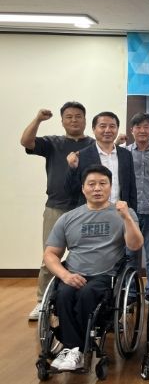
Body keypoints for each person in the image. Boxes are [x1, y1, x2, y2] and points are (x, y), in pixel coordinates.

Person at [43, 165, 143, 371]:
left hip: (106, 276)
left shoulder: (124, 213)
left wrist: (126, 217)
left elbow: (135, 245)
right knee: (63, 295)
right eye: (92, 184)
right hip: (73, 273)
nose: (97, 188)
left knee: (87, 293)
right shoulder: (68, 218)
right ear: (83, 188)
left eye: (102, 183)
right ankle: (74, 349)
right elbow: (50, 254)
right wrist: (65, 275)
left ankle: (75, 350)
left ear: (110, 187)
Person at [21, 102, 95, 320]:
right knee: (50, 256)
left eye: (78, 116)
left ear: (85, 120)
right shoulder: (52, 143)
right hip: (56, 207)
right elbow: (26, 142)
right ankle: (42, 301)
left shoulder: (93, 145)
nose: (74, 120)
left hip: (85, 209)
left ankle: (79, 300)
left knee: (85, 257)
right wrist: (38, 119)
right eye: (69, 116)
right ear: (62, 121)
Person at [66, 111, 137, 210]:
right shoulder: (82, 155)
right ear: (94, 129)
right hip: (92, 212)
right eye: (103, 126)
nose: (107, 130)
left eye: (112, 126)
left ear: (117, 129)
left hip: (120, 211)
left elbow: (132, 188)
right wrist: (72, 168)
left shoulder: (126, 155)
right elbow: (72, 190)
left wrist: (132, 212)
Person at [124, 112, 149, 294]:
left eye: (146, 127)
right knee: (130, 255)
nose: (142, 130)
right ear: (132, 130)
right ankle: (131, 293)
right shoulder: (124, 152)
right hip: (131, 212)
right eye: (138, 127)